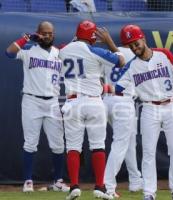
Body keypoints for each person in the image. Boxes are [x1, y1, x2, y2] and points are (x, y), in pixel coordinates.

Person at [115, 24, 173, 200]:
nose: (134, 46)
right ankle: (149, 192)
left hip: (171, 105)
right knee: (148, 152)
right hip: (149, 108)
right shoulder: (131, 66)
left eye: (136, 42)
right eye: (130, 44)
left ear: (143, 39)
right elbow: (118, 87)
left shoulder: (164, 54)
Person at [59, 20, 125, 200]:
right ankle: (100, 187)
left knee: (73, 147)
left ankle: (74, 186)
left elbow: (68, 47)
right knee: (98, 145)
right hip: (93, 102)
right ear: (92, 37)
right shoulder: (94, 50)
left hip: (72, 102)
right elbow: (121, 60)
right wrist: (110, 43)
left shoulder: (64, 50)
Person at [5, 21, 69, 193]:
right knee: (30, 143)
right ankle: (28, 181)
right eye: (44, 33)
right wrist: (26, 38)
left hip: (53, 101)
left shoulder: (59, 54)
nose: (47, 35)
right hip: (31, 101)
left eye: (50, 33)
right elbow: (9, 53)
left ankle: (58, 181)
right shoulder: (28, 52)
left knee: (58, 144)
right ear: (38, 33)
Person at [97, 27, 142, 197]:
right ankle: (107, 185)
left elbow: (100, 76)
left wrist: (109, 43)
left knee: (129, 142)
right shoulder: (135, 52)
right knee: (121, 144)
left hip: (107, 100)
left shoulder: (108, 54)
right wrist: (110, 42)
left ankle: (135, 179)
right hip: (123, 101)